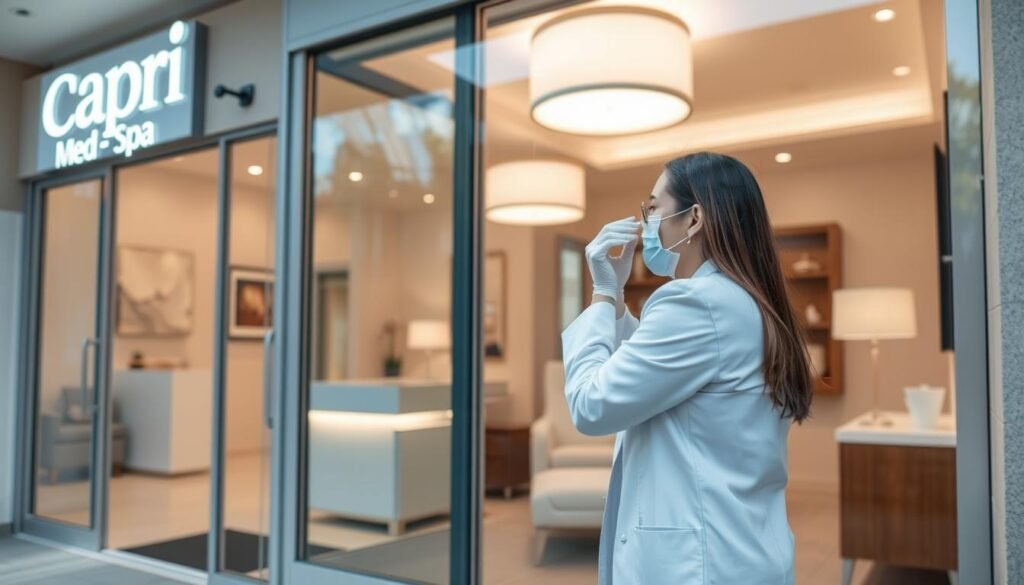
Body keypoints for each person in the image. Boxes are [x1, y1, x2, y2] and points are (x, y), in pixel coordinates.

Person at [561, 151, 812, 584]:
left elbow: (590, 405)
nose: (646, 223)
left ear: (694, 218)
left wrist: (603, 295)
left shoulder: (697, 303)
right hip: (743, 547)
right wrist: (618, 302)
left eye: (653, 207)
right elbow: (653, 371)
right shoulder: (742, 301)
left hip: (699, 562)